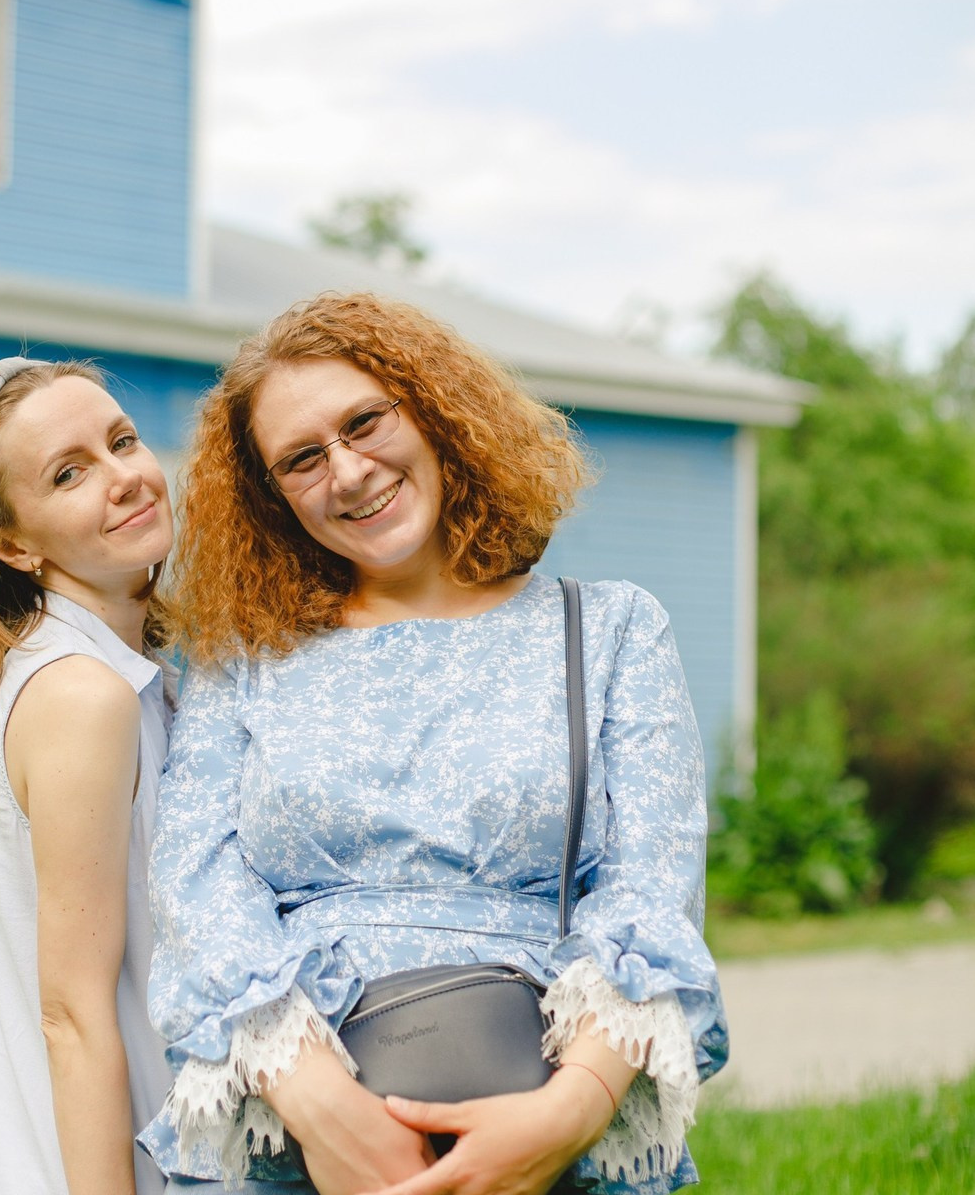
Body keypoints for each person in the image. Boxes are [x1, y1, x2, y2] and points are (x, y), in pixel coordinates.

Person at [142, 293, 729, 1195]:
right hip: (298, 1137)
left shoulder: (609, 630)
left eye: (365, 422)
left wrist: (563, 1116)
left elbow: (654, 885)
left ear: (435, 411)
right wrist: (324, 1108)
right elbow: (198, 880)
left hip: (557, 1117)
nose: (347, 472)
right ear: (273, 499)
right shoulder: (246, 659)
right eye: (302, 459)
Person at [0, 356, 174, 1195]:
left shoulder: (115, 673)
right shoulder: (82, 695)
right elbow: (73, 1017)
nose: (124, 478)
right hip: (53, 1168)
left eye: (121, 440)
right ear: (14, 544)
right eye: (69, 473)